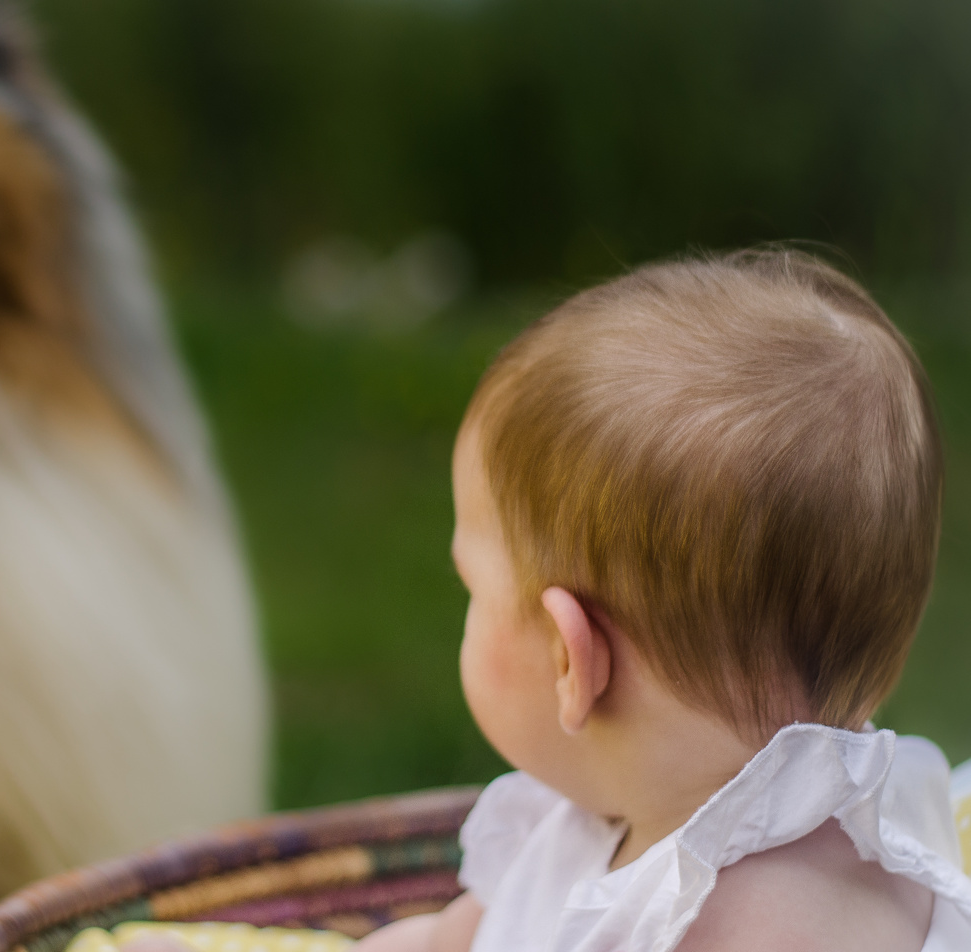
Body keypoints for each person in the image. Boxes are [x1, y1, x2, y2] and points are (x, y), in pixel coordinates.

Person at [353, 249, 971, 951]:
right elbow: (445, 943)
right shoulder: (589, 821)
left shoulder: (782, 920)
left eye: (471, 589)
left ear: (570, 660)